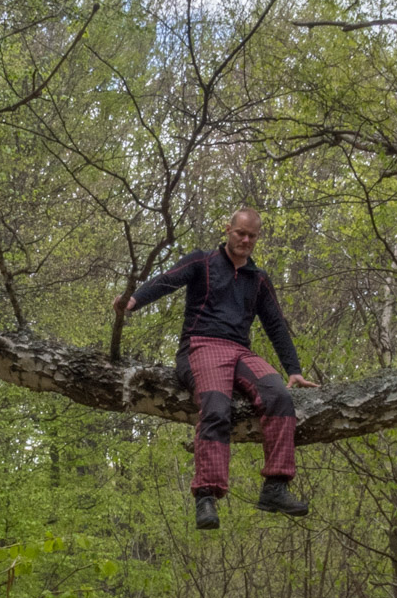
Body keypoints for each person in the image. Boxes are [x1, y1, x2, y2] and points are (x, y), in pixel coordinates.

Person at [114, 209, 318, 529]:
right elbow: (167, 280)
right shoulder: (202, 262)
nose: (245, 240)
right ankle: (206, 496)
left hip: (240, 351)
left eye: (252, 236)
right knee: (217, 404)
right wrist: (133, 301)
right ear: (228, 230)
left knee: (279, 395)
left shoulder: (258, 279)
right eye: (240, 233)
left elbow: (276, 324)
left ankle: (275, 488)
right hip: (200, 344)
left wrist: (293, 369)